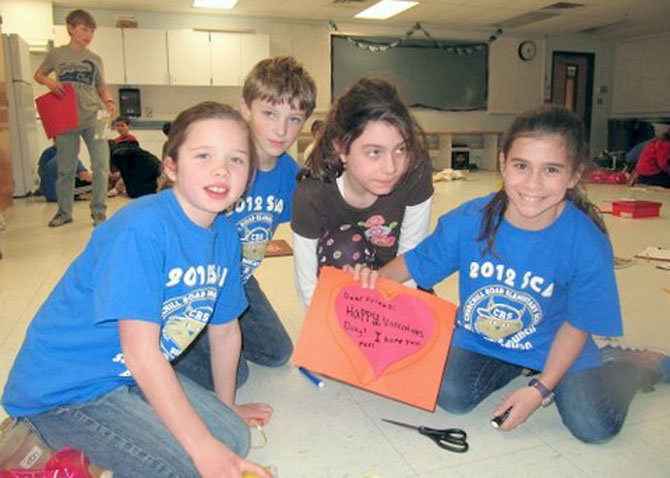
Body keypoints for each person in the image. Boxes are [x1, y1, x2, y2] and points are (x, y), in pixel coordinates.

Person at [355, 105, 670, 443]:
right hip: (483, 338)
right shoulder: (469, 221)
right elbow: (415, 263)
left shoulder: (586, 242)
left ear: (575, 174)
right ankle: (516, 364)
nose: (533, 184)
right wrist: (363, 290)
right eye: (521, 166)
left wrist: (541, 389)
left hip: (557, 342)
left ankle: (631, 366)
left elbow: (578, 323)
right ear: (503, 163)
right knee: (451, 396)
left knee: (594, 426)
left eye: (551, 169)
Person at [2, 102, 273, 477]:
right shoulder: (142, 229)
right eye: (204, 155)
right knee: (190, 467)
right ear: (171, 166)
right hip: (65, 391)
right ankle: (40, 440)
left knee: (232, 438)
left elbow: (225, 330)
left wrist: (226, 408)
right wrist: (202, 447)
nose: (221, 170)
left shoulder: (225, 233)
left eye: (237, 159)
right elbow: (142, 354)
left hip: (123, 377)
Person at [215, 56, 316, 382]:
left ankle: (211, 338)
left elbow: (314, 234)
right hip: (198, 283)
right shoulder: (220, 164)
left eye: (294, 119)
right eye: (269, 113)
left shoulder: (289, 175)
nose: (281, 130)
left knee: (278, 353)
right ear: (245, 109)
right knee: (236, 376)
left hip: (239, 279)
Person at [291, 77, 434, 308]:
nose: (391, 167)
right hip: (341, 287)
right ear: (341, 149)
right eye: (374, 152)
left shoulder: (415, 172)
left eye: (400, 149)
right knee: (343, 245)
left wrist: (394, 315)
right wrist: (326, 327)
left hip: (395, 278)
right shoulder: (312, 195)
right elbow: (307, 284)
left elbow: (411, 256)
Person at [34, 9, 116, 228]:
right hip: (66, 117)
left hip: (96, 116)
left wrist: (109, 103)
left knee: (101, 167)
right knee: (66, 168)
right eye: (84, 29)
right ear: (71, 28)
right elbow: (39, 75)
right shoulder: (57, 55)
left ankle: (99, 213)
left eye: (92, 31)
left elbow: (101, 88)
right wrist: (50, 83)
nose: (88, 35)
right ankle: (64, 213)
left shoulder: (95, 59)